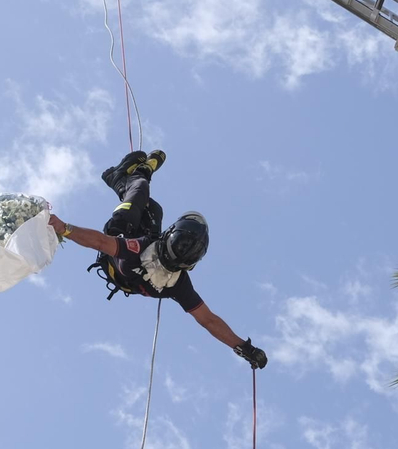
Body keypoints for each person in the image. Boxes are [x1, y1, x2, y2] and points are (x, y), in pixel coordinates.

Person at [47, 149, 268, 369]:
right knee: (153, 209)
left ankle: (128, 177)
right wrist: (245, 348)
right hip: (127, 263)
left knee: (138, 196)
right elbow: (207, 319)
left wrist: (64, 228)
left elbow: (101, 243)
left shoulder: (141, 249)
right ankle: (126, 177)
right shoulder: (179, 284)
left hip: (119, 247)